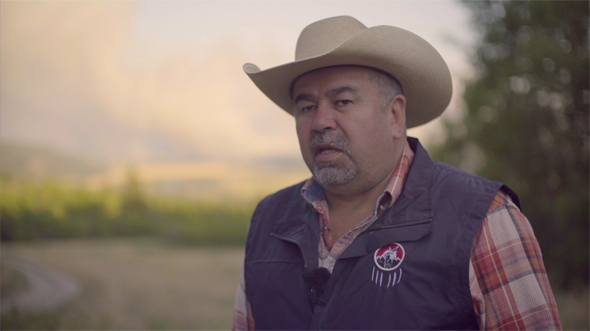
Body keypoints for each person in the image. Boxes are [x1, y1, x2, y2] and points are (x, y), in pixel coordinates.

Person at [233, 16, 562, 330]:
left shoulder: (482, 219)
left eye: (343, 101)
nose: (320, 122)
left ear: (395, 115)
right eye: (306, 107)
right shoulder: (269, 220)